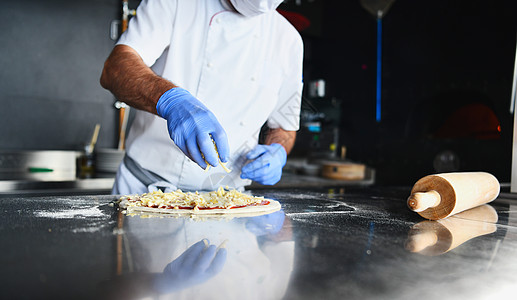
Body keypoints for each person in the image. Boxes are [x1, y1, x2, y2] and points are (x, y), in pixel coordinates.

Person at [100, 0, 303, 194]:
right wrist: (171, 101)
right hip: (145, 188)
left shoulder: (289, 41)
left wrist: (278, 150)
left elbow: (284, 127)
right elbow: (115, 69)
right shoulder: (177, 3)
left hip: (228, 203)